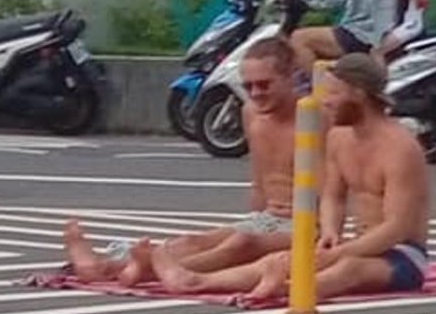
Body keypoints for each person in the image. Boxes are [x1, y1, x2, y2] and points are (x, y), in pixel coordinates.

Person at [151, 53, 431, 303]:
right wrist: (332, 232)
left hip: (402, 254)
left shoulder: (401, 149)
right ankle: (197, 281)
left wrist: (339, 254)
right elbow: (333, 195)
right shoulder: (338, 137)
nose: (325, 102)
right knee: (282, 259)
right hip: (360, 244)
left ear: (358, 93)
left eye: (333, 93)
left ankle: (285, 289)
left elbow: (397, 227)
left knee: (348, 268)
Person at [62, 37, 300, 286]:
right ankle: (106, 265)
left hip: (305, 224)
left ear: (291, 77)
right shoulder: (250, 112)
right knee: (192, 241)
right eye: (248, 86)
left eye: (264, 85)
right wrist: (253, 218)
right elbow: (260, 178)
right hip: (268, 218)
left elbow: (332, 191)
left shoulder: (315, 117)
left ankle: (144, 269)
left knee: (242, 242)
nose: (255, 93)